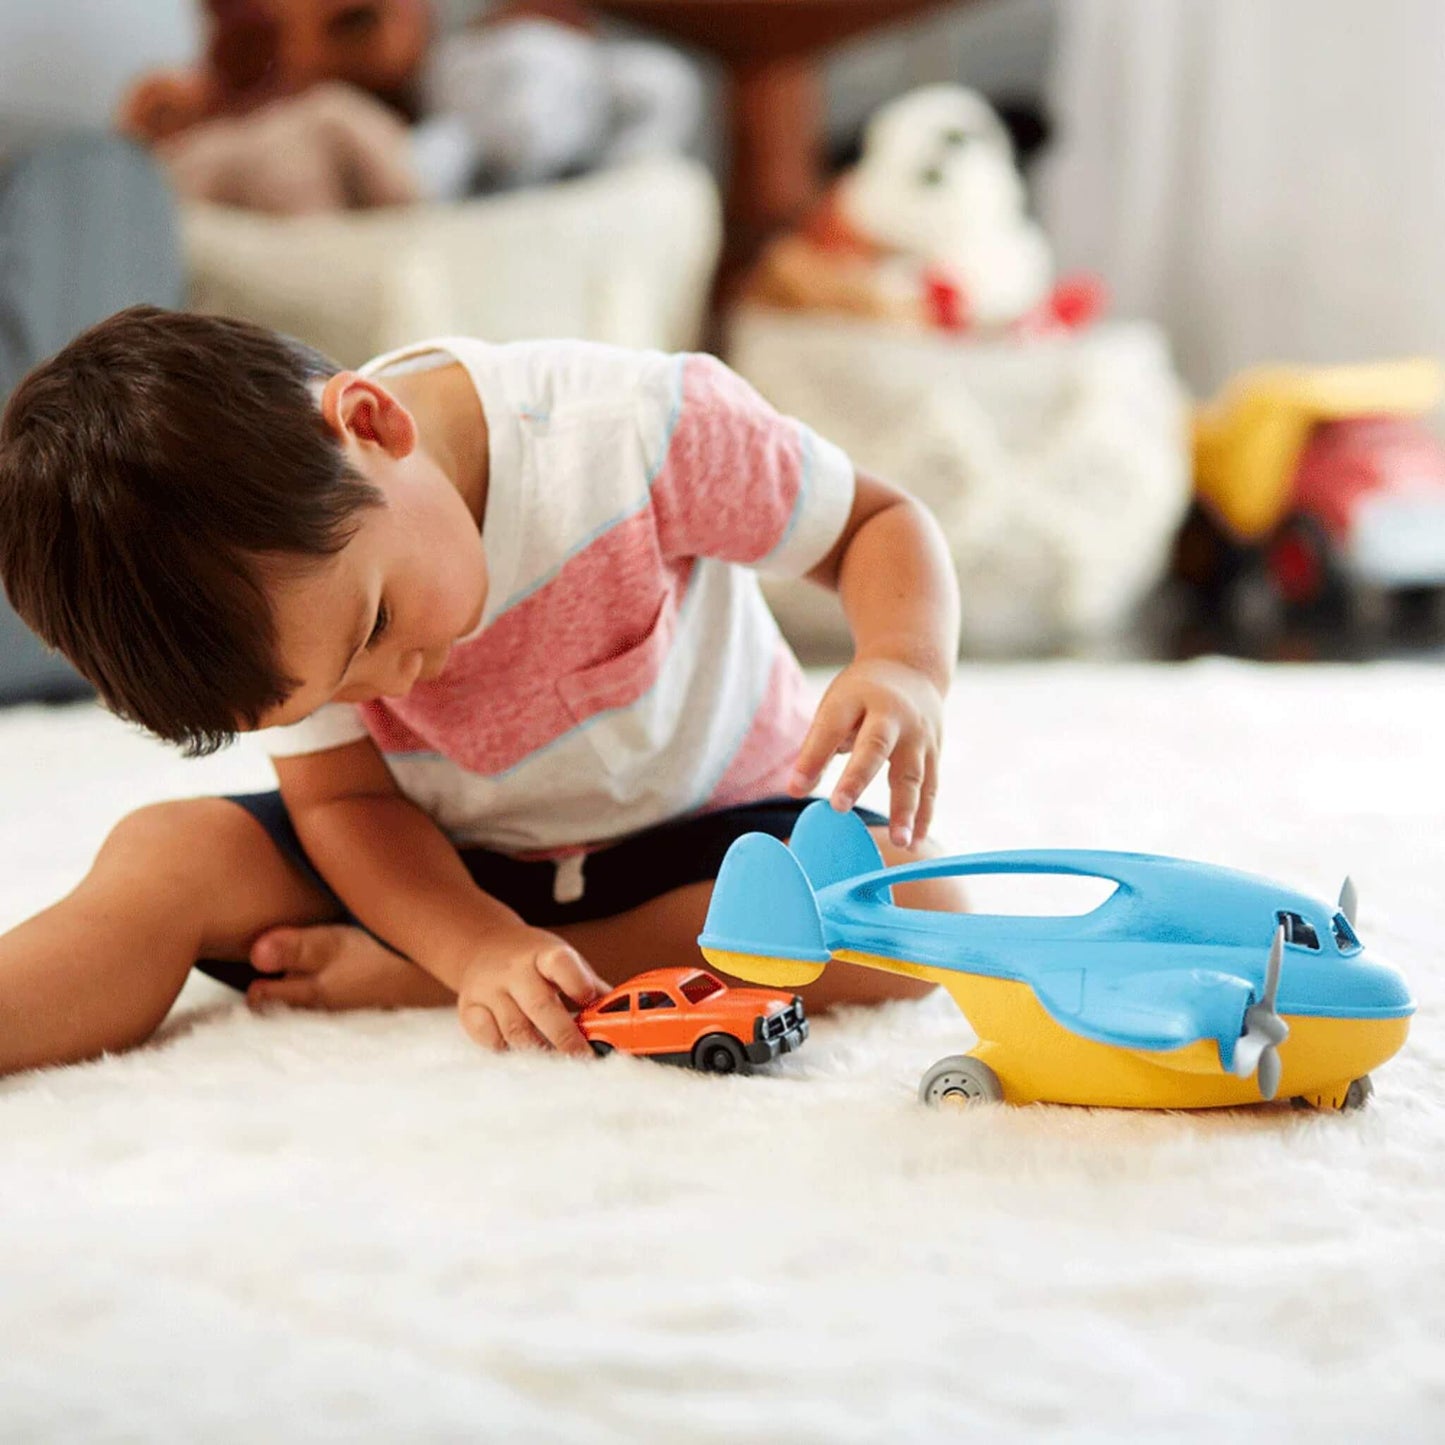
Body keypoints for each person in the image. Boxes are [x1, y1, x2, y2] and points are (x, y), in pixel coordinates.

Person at [0, 307, 961, 1078]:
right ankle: (486, 966)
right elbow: (345, 801)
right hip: (434, 859)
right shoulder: (288, 606)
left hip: (699, 842)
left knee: (919, 902)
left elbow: (874, 520)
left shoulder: (634, 428)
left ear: (371, 424)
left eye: (374, 627)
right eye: (327, 693)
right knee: (170, 855)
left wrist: (901, 662)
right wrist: (468, 941)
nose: (386, 687)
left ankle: (499, 972)